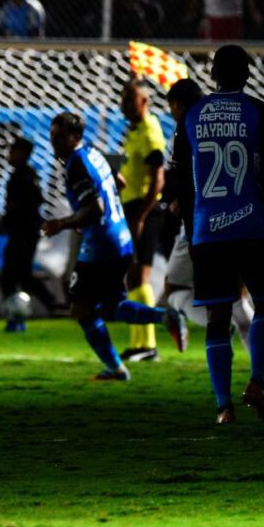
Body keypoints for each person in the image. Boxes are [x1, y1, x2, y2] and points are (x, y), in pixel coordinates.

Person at [181, 44, 264, 423]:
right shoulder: (260, 112)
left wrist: (190, 233)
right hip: (253, 225)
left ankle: (223, 406)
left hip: (208, 230)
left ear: (212, 75)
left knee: (217, 318)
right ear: (247, 74)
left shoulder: (192, 115)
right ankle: (257, 381)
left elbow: (182, 181)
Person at [41, 113, 187, 382]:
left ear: (75, 137)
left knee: (82, 307)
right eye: (52, 137)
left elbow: (94, 208)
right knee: (112, 305)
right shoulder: (93, 152)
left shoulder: (77, 163)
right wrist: (90, 215)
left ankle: (116, 368)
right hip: (119, 237)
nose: (55, 143)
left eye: (60, 137)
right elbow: (118, 182)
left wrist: (63, 222)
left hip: (101, 244)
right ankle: (166, 317)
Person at [161, 78, 254, 344]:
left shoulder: (183, 132)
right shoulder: (230, 127)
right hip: (238, 219)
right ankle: (262, 370)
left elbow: (182, 176)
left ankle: (220, 326)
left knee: (175, 289)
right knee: (237, 293)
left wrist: (180, 200)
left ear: (176, 105)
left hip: (199, 224)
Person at [118, 79, 167, 362]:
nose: (123, 105)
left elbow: (157, 179)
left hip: (144, 210)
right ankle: (138, 343)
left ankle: (149, 345)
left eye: (129, 100)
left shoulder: (149, 131)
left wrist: (142, 215)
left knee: (141, 275)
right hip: (132, 207)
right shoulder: (134, 131)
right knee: (132, 276)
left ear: (144, 102)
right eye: (123, 99)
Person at [0, 136, 60, 331]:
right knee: (20, 275)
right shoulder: (21, 174)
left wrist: (17, 213)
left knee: (11, 275)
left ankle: (20, 313)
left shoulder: (25, 175)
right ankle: (48, 305)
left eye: (13, 151)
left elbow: (34, 202)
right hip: (22, 231)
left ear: (23, 153)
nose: (10, 155)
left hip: (24, 232)